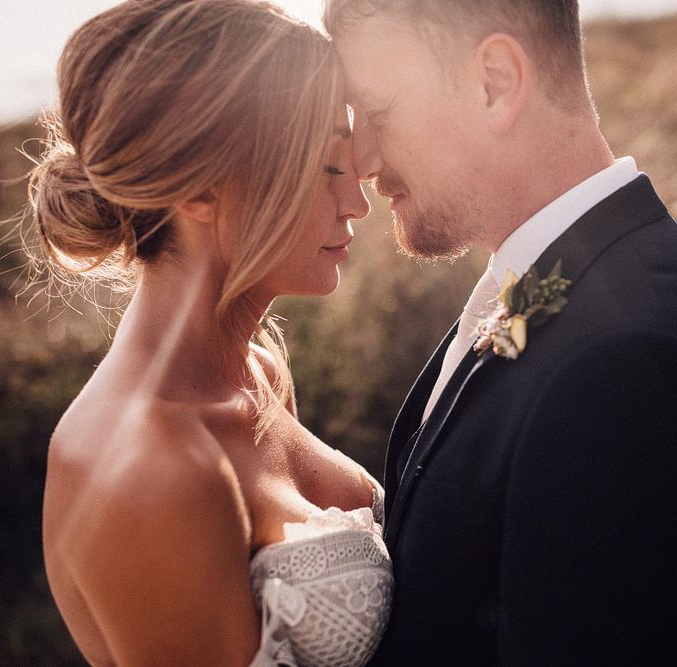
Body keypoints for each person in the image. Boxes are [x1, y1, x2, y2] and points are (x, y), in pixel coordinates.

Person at [35, 1, 393, 665]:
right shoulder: (150, 464)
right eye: (325, 167)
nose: (356, 203)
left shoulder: (256, 373)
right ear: (200, 189)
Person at [324, 0, 677, 664]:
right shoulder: (537, 289)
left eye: (375, 115)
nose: (363, 163)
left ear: (494, 83)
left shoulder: (622, 358)